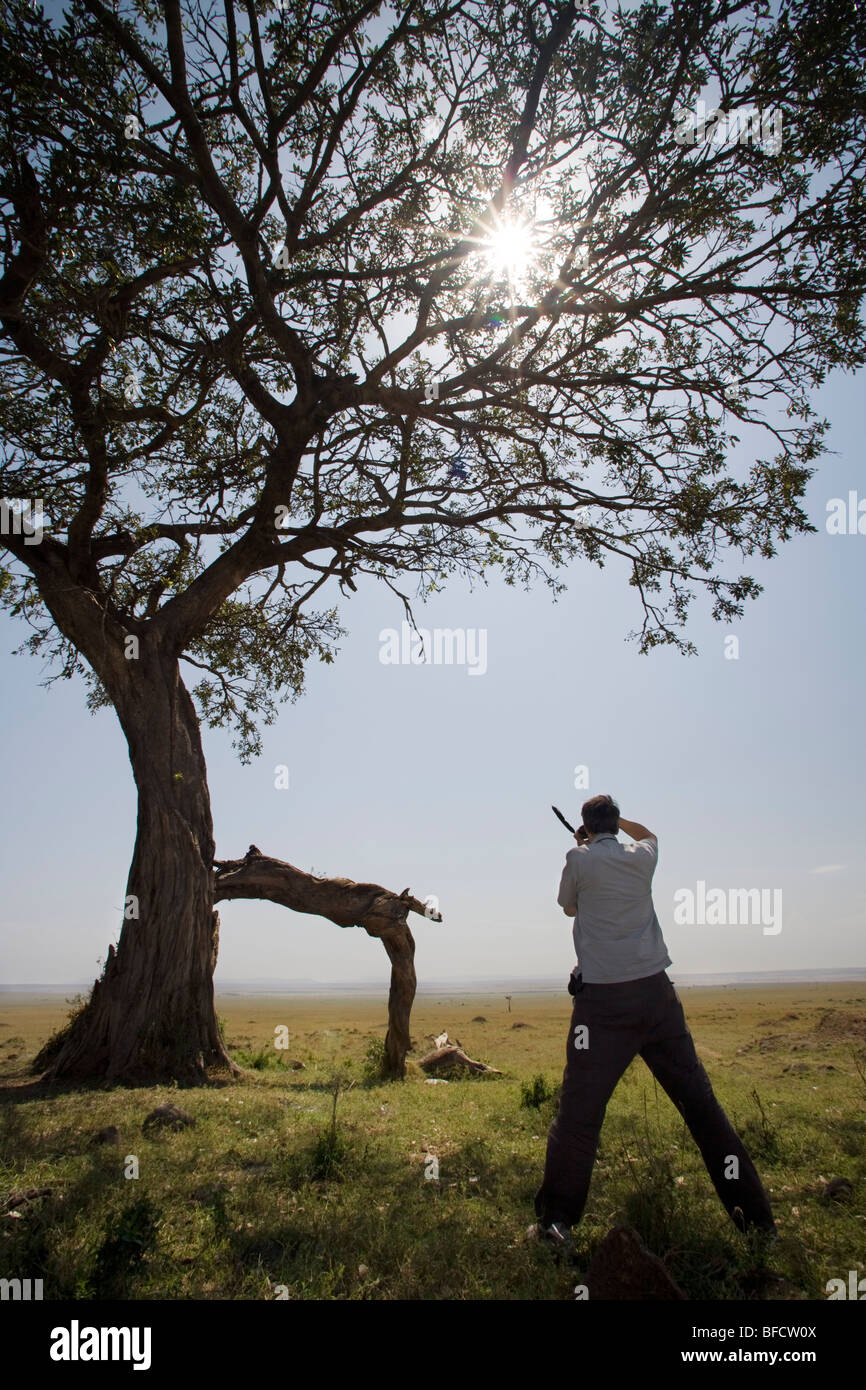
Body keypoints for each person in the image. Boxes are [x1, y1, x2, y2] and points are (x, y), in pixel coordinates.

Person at [531, 793, 776, 1260]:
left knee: (579, 1115)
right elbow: (649, 835)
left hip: (602, 1005)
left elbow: (568, 908)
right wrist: (615, 826)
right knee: (702, 1108)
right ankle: (758, 1222)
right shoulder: (643, 856)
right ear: (616, 822)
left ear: (585, 825)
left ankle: (556, 1222)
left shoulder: (577, 859)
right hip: (657, 998)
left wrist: (586, 844)